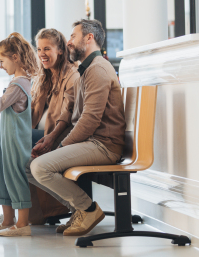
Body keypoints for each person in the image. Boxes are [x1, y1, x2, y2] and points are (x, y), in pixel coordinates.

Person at [0, 28, 79, 227]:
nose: (42, 54)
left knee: (6, 137)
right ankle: (4, 208)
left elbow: (66, 115)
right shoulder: (42, 77)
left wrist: (50, 137)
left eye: (47, 49)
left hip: (58, 135)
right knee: (4, 135)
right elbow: (20, 107)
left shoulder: (70, 75)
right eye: (39, 49)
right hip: (39, 132)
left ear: (60, 50)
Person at [26, 19, 126, 236]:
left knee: (40, 167)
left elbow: (90, 120)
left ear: (89, 38)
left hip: (103, 146)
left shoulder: (98, 69)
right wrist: (51, 139)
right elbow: (69, 110)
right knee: (28, 165)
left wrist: (61, 146)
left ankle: (88, 209)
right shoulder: (85, 69)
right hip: (91, 143)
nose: (69, 41)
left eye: (73, 36)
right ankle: (78, 210)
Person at [0, 32, 39, 237]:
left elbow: (0, 105)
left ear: (15, 58)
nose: (0, 65)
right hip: (7, 140)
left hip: (15, 142)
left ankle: (22, 225)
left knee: (15, 178)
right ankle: (8, 220)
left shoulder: (19, 84)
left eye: (2, 61)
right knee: (2, 178)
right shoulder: (17, 82)